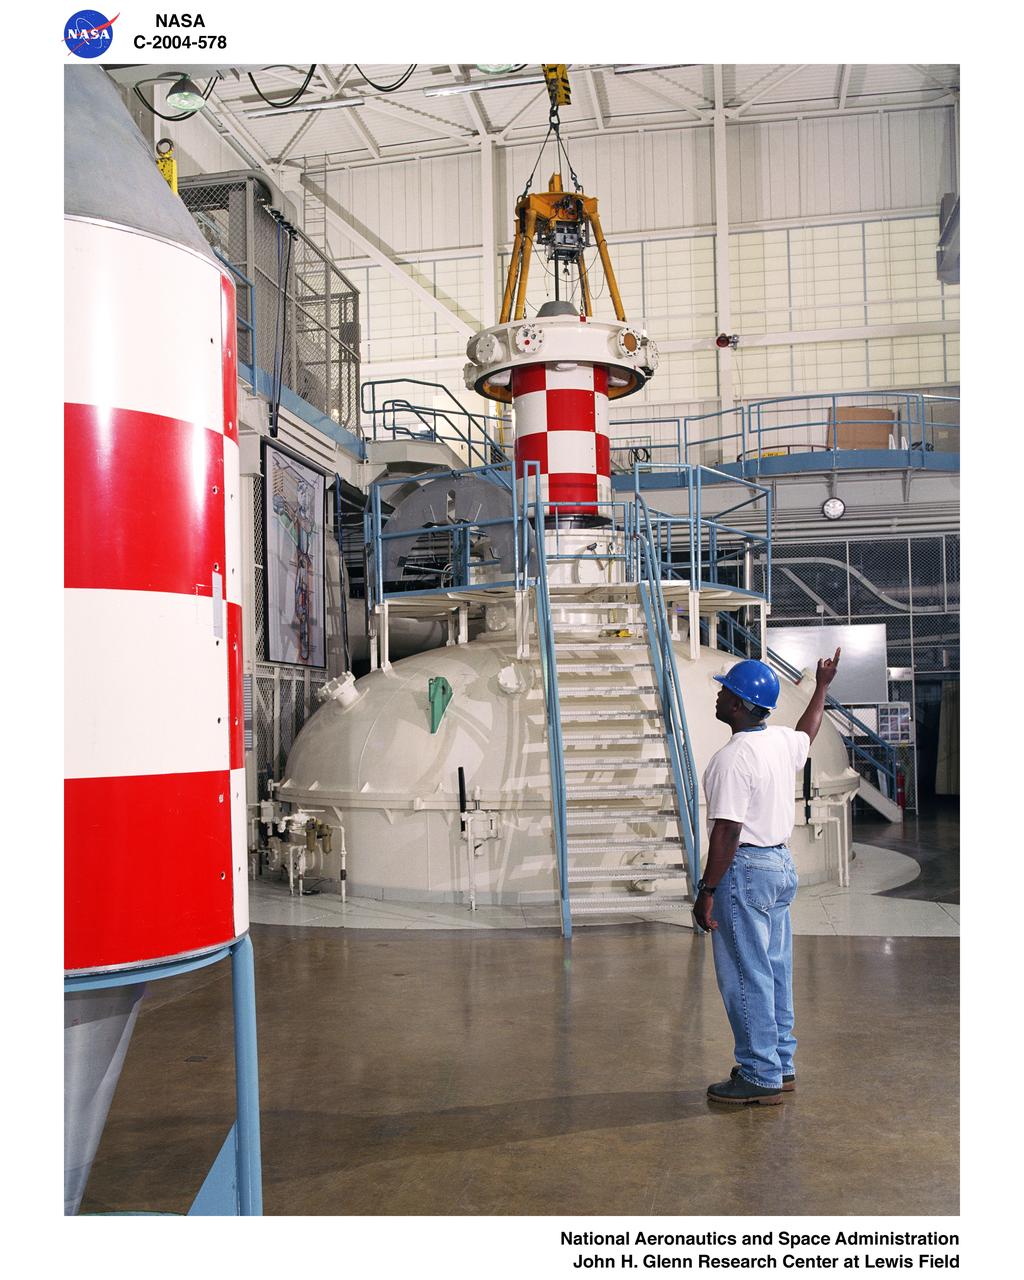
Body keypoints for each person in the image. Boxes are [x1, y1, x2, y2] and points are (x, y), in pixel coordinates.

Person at [694, 649, 841, 1106]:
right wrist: (821, 688)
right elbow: (807, 732)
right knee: (774, 969)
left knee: (746, 973)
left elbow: (728, 831)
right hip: (779, 866)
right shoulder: (778, 741)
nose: (718, 696)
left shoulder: (732, 758)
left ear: (738, 705)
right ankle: (780, 1062)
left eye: (725, 691)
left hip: (746, 872)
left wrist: (707, 891)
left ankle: (759, 1074)